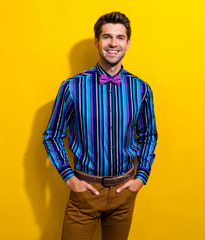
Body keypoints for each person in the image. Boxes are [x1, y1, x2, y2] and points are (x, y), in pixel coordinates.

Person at [43, 11, 158, 240]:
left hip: (124, 192)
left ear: (128, 44)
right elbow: (52, 135)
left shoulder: (141, 89)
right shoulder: (72, 87)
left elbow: (148, 135)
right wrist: (70, 179)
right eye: (107, 37)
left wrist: (141, 177)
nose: (113, 43)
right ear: (97, 42)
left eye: (120, 37)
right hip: (84, 193)